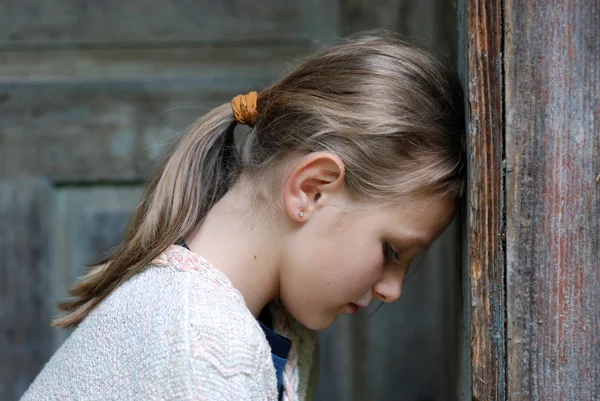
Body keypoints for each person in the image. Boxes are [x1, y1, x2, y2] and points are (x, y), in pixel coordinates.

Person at [21, 30, 465, 401]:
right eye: (392, 250)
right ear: (312, 189)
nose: (393, 290)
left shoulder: (269, 327)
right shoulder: (205, 355)